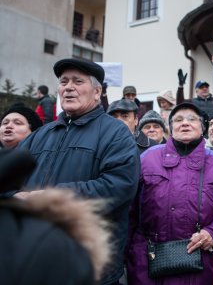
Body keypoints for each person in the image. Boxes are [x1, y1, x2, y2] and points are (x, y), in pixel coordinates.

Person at [16, 58, 140, 285]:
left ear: (97, 91)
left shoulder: (115, 134)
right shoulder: (41, 134)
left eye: (78, 81)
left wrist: (50, 198)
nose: (68, 87)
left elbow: (118, 187)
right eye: (63, 82)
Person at [126, 102, 213, 285]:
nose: (185, 123)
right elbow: (129, 210)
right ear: (170, 128)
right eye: (178, 119)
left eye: (192, 119)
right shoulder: (147, 159)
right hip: (148, 265)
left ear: (203, 128)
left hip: (203, 267)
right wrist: (129, 253)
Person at [0, 148, 112, 285]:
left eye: (18, 124)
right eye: (5, 124)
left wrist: (53, 195)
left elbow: (116, 185)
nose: (9, 127)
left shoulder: (50, 245)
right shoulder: (41, 135)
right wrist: (13, 195)